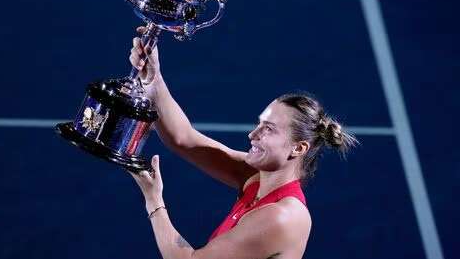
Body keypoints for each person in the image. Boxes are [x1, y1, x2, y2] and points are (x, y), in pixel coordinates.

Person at [128, 26, 358, 259]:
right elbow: (183, 139)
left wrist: (154, 202)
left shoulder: (282, 216)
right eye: (259, 124)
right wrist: (153, 81)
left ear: (298, 148)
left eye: (268, 129)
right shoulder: (256, 178)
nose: (252, 135)